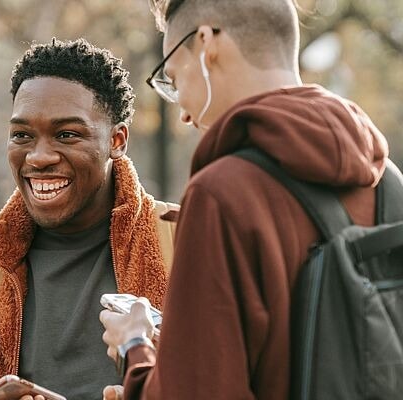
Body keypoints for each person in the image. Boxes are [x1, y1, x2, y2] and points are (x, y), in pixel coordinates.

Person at [99, 0, 392, 399]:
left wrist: (136, 348)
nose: (183, 112)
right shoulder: (385, 178)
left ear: (206, 43)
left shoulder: (223, 194)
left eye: (172, 77)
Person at [0, 38, 174, 400]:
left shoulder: (188, 245)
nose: (38, 157)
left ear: (117, 140)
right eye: (22, 135)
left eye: (67, 134)